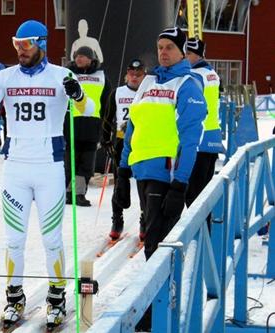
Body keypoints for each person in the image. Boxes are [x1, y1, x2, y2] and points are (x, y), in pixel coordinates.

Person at [0, 20, 93, 330]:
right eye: (15, 44)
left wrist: (77, 95)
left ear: (42, 44)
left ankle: (57, 298)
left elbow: (86, 110)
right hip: (15, 168)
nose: (20, 51)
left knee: (52, 239)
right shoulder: (5, 77)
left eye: (26, 44)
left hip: (49, 167)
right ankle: (14, 298)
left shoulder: (61, 75)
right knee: (14, 240)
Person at [113, 27, 206, 331]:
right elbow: (133, 126)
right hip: (142, 171)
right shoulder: (149, 80)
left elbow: (191, 141)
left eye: (169, 47)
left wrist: (180, 184)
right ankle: (159, 307)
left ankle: (155, 315)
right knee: (153, 241)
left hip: (166, 176)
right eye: (160, 47)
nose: (163, 52)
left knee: (155, 244)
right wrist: (123, 171)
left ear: (182, 52)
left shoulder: (188, 84)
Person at [101, 59, 146, 240]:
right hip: (121, 143)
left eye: (139, 75)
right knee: (120, 183)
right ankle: (117, 219)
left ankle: (145, 220)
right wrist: (106, 140)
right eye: (132, 74)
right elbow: (106, 117)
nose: (134, 78)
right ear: (126, 75)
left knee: (144, 184)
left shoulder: (150, 92)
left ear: (144, 76)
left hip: (143, 143)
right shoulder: (117, 93)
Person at [64, 46, 110, 207]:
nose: (79, 59)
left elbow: (107, 102)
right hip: (72, 123)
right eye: (77, 56)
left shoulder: (101, 76)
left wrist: (107, 124)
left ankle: (79, 193)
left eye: (83, 56)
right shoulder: (68, 74)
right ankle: (68, 192)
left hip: (93, 124)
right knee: (71, 160)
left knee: (87, 163)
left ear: (91, 59)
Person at [185, 38, 223, 224]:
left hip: (198, 140)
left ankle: (199, 242)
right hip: (212, 138)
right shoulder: (211, 73)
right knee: (203, 194)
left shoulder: (194, 75)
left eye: (188, 54)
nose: (185, 58)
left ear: (198, 55)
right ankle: (204, 237)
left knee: (193, 195)